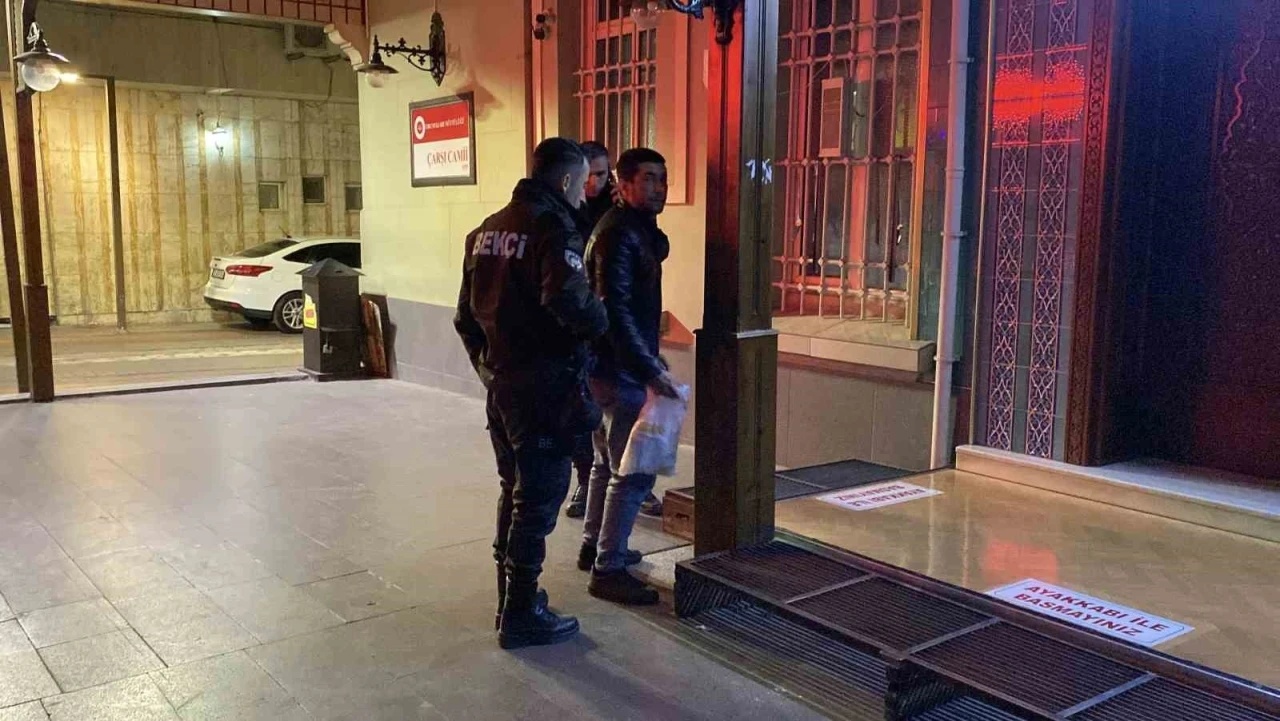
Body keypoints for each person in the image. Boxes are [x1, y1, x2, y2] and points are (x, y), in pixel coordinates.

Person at [454, 137, 608, 649]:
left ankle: (510, 600)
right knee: (538, 500)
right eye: (583, 183)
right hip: (544, 389)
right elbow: (571, 302)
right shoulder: (552, 228)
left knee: (514, 489)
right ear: (564, 180)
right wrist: (601, 318)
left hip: (503, 387)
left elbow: (464, 318)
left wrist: (490, 370)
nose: (585, 195)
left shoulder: (485, 230)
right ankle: (521, 613)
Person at [580, 147, 680, 606]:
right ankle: (609, 567)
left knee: (606, 463)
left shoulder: (628, 229)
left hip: (608, 365)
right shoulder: (620, 233)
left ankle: (594, 546)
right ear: (623, 185)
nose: (658, 188)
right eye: (648, 179)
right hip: (618, 369)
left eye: (662, 179)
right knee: (632, 470)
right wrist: (648, 368)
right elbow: (615, 311)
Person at [565, 141, 616, 521]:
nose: (595, 182)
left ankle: (623, 477)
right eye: (590, 174)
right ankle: (586, 478)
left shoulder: (618, 208)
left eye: (603, 173)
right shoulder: (566, 207)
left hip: (610, 322)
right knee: (583, 410)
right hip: (579, 322)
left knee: (617, 411)